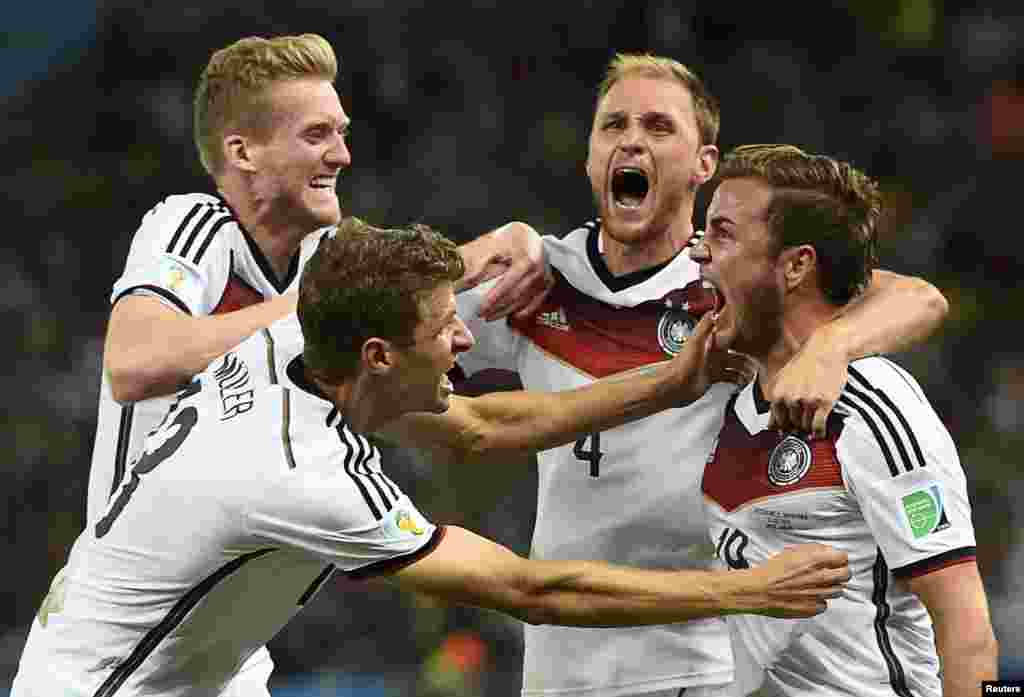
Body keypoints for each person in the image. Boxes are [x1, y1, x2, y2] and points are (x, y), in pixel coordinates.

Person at [12, 219, 851, 697]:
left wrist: (667, 384)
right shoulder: (307, 475)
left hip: (105, 662)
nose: (462, 336)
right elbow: (532, 589)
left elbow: (483, 422)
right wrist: (745, 591)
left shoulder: (293, 338)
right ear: (378, 354)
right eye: (442, 327)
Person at [453, 54, 950, 697]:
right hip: (558, 662)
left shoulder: (733, 282)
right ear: (589, 156)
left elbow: (919, 298)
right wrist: (476, 252)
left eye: (659, 127)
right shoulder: (535, 278)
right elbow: (371, 336)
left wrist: (830, 348)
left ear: (703, 165)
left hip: (700, 662)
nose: (632, 139)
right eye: (613, 126)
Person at [85, 33, 548, 694]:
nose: (342, 153)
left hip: (229, 649)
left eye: (342, 131)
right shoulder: (194, 226)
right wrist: (315, 307)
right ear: (241, 150)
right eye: (316, 135)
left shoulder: (323, 260)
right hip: (129, 645)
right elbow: (134, 361)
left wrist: (504, 246)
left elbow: (427, 336)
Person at [694, 143, 998, 696]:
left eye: (723, 233)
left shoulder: (875, 406)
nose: (698, 252)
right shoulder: (737, 403)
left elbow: (968, 632)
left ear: (795, 266)